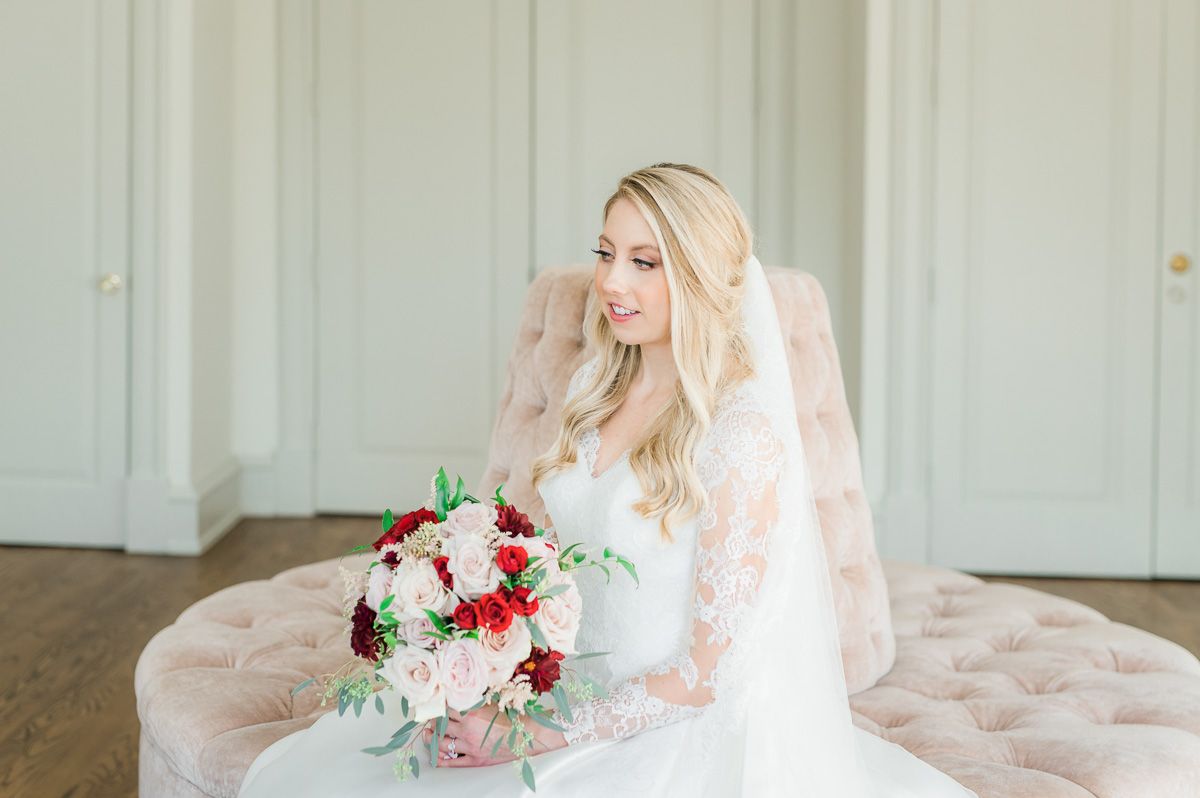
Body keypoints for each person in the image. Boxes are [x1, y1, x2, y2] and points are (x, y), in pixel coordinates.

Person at [237, 164, 980, 797]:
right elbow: (543, 555)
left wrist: (529, 730)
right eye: (605, 253)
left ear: (697, 276)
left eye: (644, 262)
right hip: (557, 681)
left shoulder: (739, 434)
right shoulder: (599, 380)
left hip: (662, 730)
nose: (610, 282)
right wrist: (475, 646)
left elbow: (704, 674)